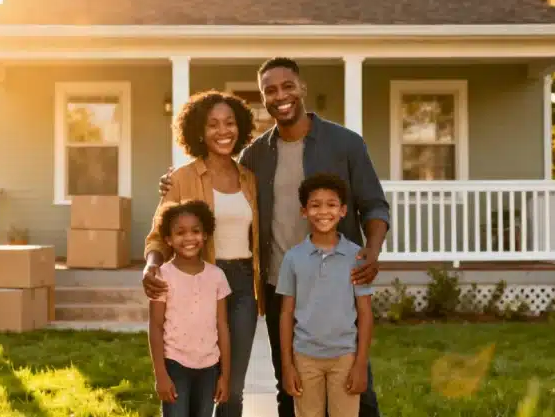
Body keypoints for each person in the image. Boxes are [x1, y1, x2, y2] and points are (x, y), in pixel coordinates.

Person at [153, 57, 389, 417]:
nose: (281, 96)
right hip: (281, 284)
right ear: (263, 98)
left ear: (302, 87)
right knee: (288, 386)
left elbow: (374, 205)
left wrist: (372, 251)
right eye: (270, 91)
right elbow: (197, 192)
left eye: (287, 86)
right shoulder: (256, 156)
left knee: (357, 386)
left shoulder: (345, 144)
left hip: (338, 283)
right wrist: (171, 182)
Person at [144, 90, 264, 417]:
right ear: (199, 130)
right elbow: (158, 234)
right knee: (193, 374)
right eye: (213, 124)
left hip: (241, 288)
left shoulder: (249, 179)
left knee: (231, 387)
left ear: (239, 127)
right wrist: (151, 266)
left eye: (229, 123)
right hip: (199, 282)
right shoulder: (182, 178)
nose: (222, 131)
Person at [277, 173, 374, 417]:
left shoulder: (356, 257)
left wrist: (360, 364)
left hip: (344, 357)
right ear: (304, 211)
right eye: (315, 205)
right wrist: (287, 366)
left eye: (331, 205)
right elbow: (286, 314)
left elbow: (365, 313)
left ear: (343, 210)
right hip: (305, 357)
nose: (323, 212)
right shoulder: (293, 258)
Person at [148, 200, 231, 417]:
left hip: (209, 367)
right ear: (168, 239)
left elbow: (222, 326)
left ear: (205, 235)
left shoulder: (217, 276)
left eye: (195, 231)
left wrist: (225, 375)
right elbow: (155, 327)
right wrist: (161, 375)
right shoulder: (163, 276)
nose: (188, 238)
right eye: (180, 232)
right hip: (175, 364)